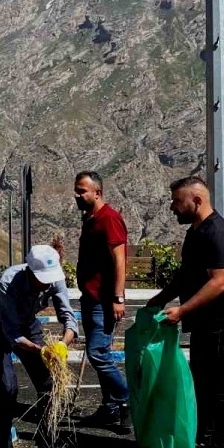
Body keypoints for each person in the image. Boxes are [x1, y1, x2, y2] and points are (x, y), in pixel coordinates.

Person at [146, 176, 224, 448]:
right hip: (206, 322)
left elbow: (219, 282)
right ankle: (202, 441)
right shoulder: (195, 233)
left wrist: (181, 310)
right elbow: (187, 275)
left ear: (196, 200)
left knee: (220, 386)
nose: (172, 208)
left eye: (177, 202)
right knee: (201, 384)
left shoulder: (218, 233)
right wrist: (160, 298)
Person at [0, 244, 78, 448]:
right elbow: (12, 333)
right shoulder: (9, 281)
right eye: (42, 279)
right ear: (30, 272)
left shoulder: (55, 279)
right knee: (8, 388)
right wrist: (41, 350)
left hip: (29, 325)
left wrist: (63, 344)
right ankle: (5, 445)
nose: (47, 283)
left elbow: (68, 315)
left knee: (48, 384)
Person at [73, 171, 131, 432]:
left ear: (97, 193)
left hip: (104, 300)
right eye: (77, 190)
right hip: (90, 297)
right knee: (100, 353)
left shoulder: (109, 218)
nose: (78, 195)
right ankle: (110, 410)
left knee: (98, 353)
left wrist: (117, 297)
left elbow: (120, 259)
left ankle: (126, 398)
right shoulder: (90, 219)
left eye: (82, 190)